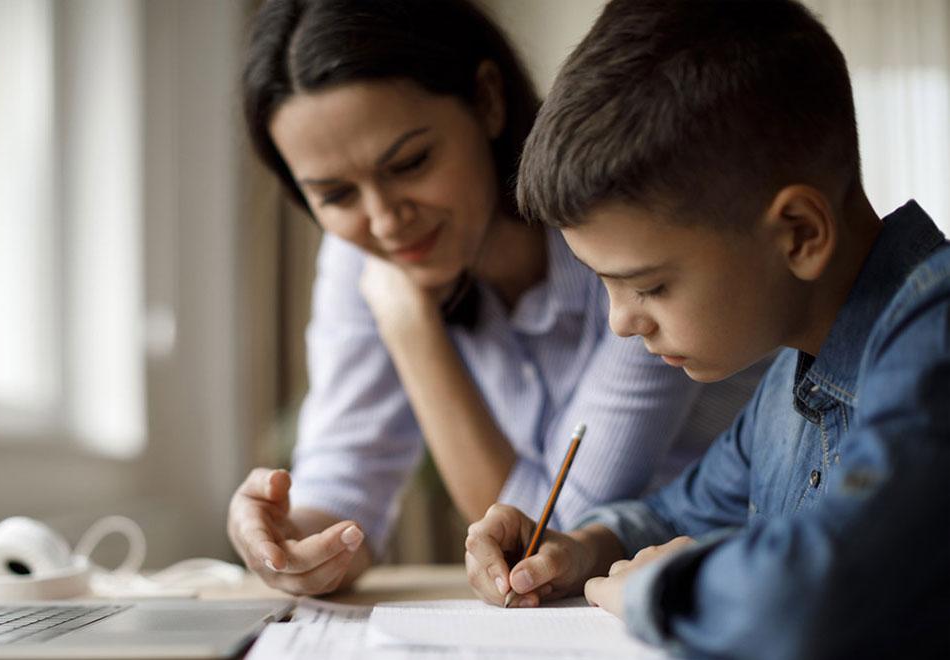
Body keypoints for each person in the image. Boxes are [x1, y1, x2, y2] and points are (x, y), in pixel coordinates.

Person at [229, 0, 764, 597]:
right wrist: (288, 539)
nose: (384, 221)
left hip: (724, 575)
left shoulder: (628, 238)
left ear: (487, 99)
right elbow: (345, 481)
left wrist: (410, 327)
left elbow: (551, 534)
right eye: (334, 194)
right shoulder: (365, 253)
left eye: (409, 163)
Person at [464, 0, 950, 656]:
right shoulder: (788, 382)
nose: (621, 323)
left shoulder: (933, 333)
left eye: (649, 285)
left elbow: (821, 591)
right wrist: (579, 549)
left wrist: (658, 588)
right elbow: (672, 513)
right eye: (602, 284)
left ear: (800, 234)